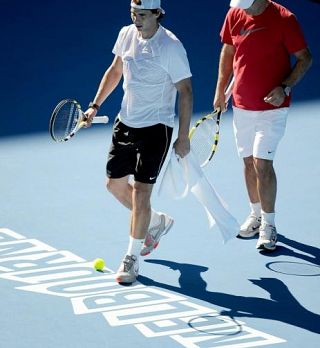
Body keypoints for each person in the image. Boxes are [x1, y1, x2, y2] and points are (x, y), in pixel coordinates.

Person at [85, 0, 193, 283]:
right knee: (114, 185)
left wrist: (183, 136)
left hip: (156, 128)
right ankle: (155, 222)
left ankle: (131, 258)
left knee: (141, 193)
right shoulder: (126, 34)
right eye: (133, 14)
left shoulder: (171, 47)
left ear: (157, 13)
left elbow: (186, 91)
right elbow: (115, 70)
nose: (136, 20)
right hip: (126, 121)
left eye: (142, 15)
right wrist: (95, 106)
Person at [213, 0, 312, 251]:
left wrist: (285, 87)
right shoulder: (234, 14)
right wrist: (220, 90)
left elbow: (305, 58)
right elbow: (228, 51)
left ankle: (269, 223)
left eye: (247, 4)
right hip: (241, 106)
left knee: (262, 164)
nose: (242, 9)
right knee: (247, 161)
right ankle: (255, 215)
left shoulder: (285, 18)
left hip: (272, 108)